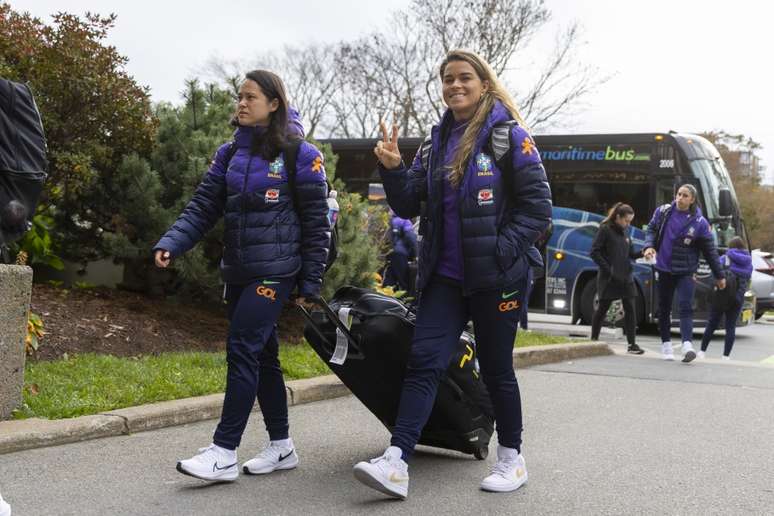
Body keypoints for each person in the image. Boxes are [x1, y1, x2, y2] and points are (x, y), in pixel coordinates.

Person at [353, 49, 552, 499]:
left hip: (497, 277)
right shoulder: (435, 141)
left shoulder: (508, 136)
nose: (455, 86)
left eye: (464, 78)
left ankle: (512, 459)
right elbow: (408, 204)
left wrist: (501, 252)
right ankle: (397, 462)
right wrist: (392, 168)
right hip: (443, 277)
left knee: (498, 369)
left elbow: (538, 209)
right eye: (447, 79)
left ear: (483, 84)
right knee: (423, 362)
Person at [153, 70, 330, 482]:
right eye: (240, 97)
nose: (242, 103)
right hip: (239, 269)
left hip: (276, 270)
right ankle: (282, 447)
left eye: (251, 97)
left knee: (243, 349)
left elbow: (317, 223)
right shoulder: (229, 153)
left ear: (274, 104)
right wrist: (172, 242)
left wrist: (311, 282)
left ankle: (224, 451)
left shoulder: (300, 155)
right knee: (264, 356)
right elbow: (202, 206)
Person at [643, 184, 724, 363]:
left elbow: (710, 251)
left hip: (686, 271)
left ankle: (687, 345)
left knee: (685, 306)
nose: (680, 198)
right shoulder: (663, 212)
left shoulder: (699, 223)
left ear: (692, 199)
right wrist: (648, 246)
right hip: (663, 268)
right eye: (678, 194)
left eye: (684, 195)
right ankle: (666, 346)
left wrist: (719, 275)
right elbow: (651, 230)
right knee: (664, 308)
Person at [589, 203, 644, 354]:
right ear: (618, 217)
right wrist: (609, 270)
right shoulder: (605, 229)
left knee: (630, 309)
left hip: (626, 277)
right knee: (602, 309)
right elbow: (594, 252)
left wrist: (644, 252)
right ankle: (593, 340)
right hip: (610, 278)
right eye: (626, 221)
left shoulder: (626, 233)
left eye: (630, 221)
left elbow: (631, 254)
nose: (628, 224)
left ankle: (632, 345)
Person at [699, 236, 752, 360]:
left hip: (722, 295)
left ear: (730, 246)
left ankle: (702, 351)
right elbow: (748, 279)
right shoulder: (748, 262)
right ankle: (726, 356)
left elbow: (714, 274)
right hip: (737, 298)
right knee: (730, 327)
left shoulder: (725, 258)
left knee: (712, 323)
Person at [383, 211, 418, 292]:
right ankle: (404, 299)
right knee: (403, 279)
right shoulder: (405, 221)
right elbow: (410, 238)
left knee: (391, 277)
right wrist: (416, 254)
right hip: (400, 253)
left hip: (389, 253)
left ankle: (386, 297)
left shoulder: (391, 220)